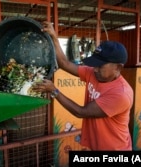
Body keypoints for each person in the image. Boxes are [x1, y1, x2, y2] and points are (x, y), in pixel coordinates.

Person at [33, 21, 133, 150]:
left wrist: (54, 91)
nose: (94, 69)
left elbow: (81, 112)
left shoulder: (121, 94)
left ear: (118, 68)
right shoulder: (94, 73)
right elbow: (64, 63)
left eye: (100, 66)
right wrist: (54, 37)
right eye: (94, 64)